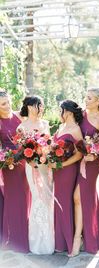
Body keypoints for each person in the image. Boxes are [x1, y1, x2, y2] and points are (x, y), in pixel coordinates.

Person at [70, 88, 99, 256]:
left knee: (79, 197)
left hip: (91, 165)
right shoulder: (80, 115)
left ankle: (78, 239)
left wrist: (94, 155)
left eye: (90, 98)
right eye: (85, 97)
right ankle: (93, 233)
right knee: (86, 197)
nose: (86, 100)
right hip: (76, 160)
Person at [19, 96, 54, 254]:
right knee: (37, 197)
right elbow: (22, 151)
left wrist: (47, 153)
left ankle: (51, 238)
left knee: (47, 198)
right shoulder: (21, 127)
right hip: (31, 167)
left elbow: (49, 144)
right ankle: (38, 241)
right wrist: (31, 160)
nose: (37, 108)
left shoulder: (45, 124)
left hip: (45, 166)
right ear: (27, 107)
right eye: (34, 105)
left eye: (39, 105)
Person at [49, 100, 83, 254]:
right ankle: (60, 242)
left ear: (68, 112)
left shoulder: (75, 129)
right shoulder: (61, 126)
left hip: (68, 170)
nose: (59, 113)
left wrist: (62, 165)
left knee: (65, 202)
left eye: (60, 110)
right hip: (57, 170)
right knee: (59, 203)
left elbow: (79, 154)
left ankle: (70, 241)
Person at [0, 90, 30, 253]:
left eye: (9, 101)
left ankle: (27, 235)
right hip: (10, 166)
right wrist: (6, 159)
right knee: (14, 200)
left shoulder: (20, 116)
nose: (8, 105)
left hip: (25, 162)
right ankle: (16, 239)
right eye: (3, 103)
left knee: (27, 198)